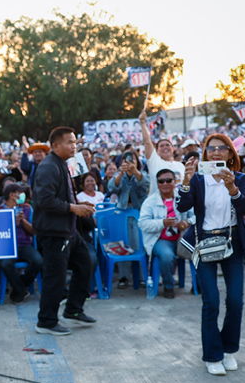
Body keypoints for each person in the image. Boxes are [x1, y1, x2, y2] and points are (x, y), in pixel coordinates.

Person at [177, 134, 245, 376]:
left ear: (231, 153)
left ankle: (228, 350)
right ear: (205, 154)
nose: (216, 153)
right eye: (211, 149)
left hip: (232, 243)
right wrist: (186, 181)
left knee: (236, 301)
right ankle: (212, 355)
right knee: (211, 301)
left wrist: (232, 188)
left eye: (222, 149)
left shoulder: (239, 178)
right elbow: (183, 206)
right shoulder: (198, 179)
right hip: (203, 241)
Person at [32, 127, 97, 336]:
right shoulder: (48, 167)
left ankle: (74, 310)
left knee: (86, 264)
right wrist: (74, 208)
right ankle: (46, 321)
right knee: (55, 277)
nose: (74, 146)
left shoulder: (63, 164)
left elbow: (64, 194)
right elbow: (45, 200)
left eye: (75, 142)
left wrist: (79, 203)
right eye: (69, 142)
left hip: (69, 230)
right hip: (53, 232)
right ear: (55, 145)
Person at [139, 169, 193, 298]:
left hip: (183, 237)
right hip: (161, 240)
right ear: (157, 183)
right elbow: (142, 223)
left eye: (169, 180)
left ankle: (200, 285)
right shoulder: (150, 202)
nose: (165, 183)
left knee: (201, 251)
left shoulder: (184, 197)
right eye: (161, 181)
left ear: (175, 182)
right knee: (167, 256)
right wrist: (162, 223)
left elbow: (197, 215)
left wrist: (187, 222)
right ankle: (169, 286)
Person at [107, 148, 149, 288]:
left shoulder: (142, 174)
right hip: (122, 213)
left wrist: (134, 171)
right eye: (127, 160)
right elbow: (112, 187)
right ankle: (124, 277)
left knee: (140, 245)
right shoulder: (120, 175)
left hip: (138, 213)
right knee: (123, 244)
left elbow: (145, 184)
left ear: (138, 162)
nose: (131, 162)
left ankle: (143, 277)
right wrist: (121, 172)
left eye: (133, 160)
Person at [0, 184, 42, 304]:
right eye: (19, 192)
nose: (22, 195)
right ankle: (22, 290)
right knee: (5, 264)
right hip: (7, 247)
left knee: (38, 261)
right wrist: (10, 221)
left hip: (24, 244)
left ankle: (19, 289)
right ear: (12, 195)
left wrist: (23, 221)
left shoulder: (27, 208)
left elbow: (33, 231)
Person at [140, 104, 184, 195]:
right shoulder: (155, 161)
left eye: (167, 145)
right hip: (157, 204)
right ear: (156, 151)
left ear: (173, 149)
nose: (165, 147)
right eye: (161, 146)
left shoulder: (181, 166)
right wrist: (142, 123)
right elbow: (148, 142)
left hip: (177, 205)